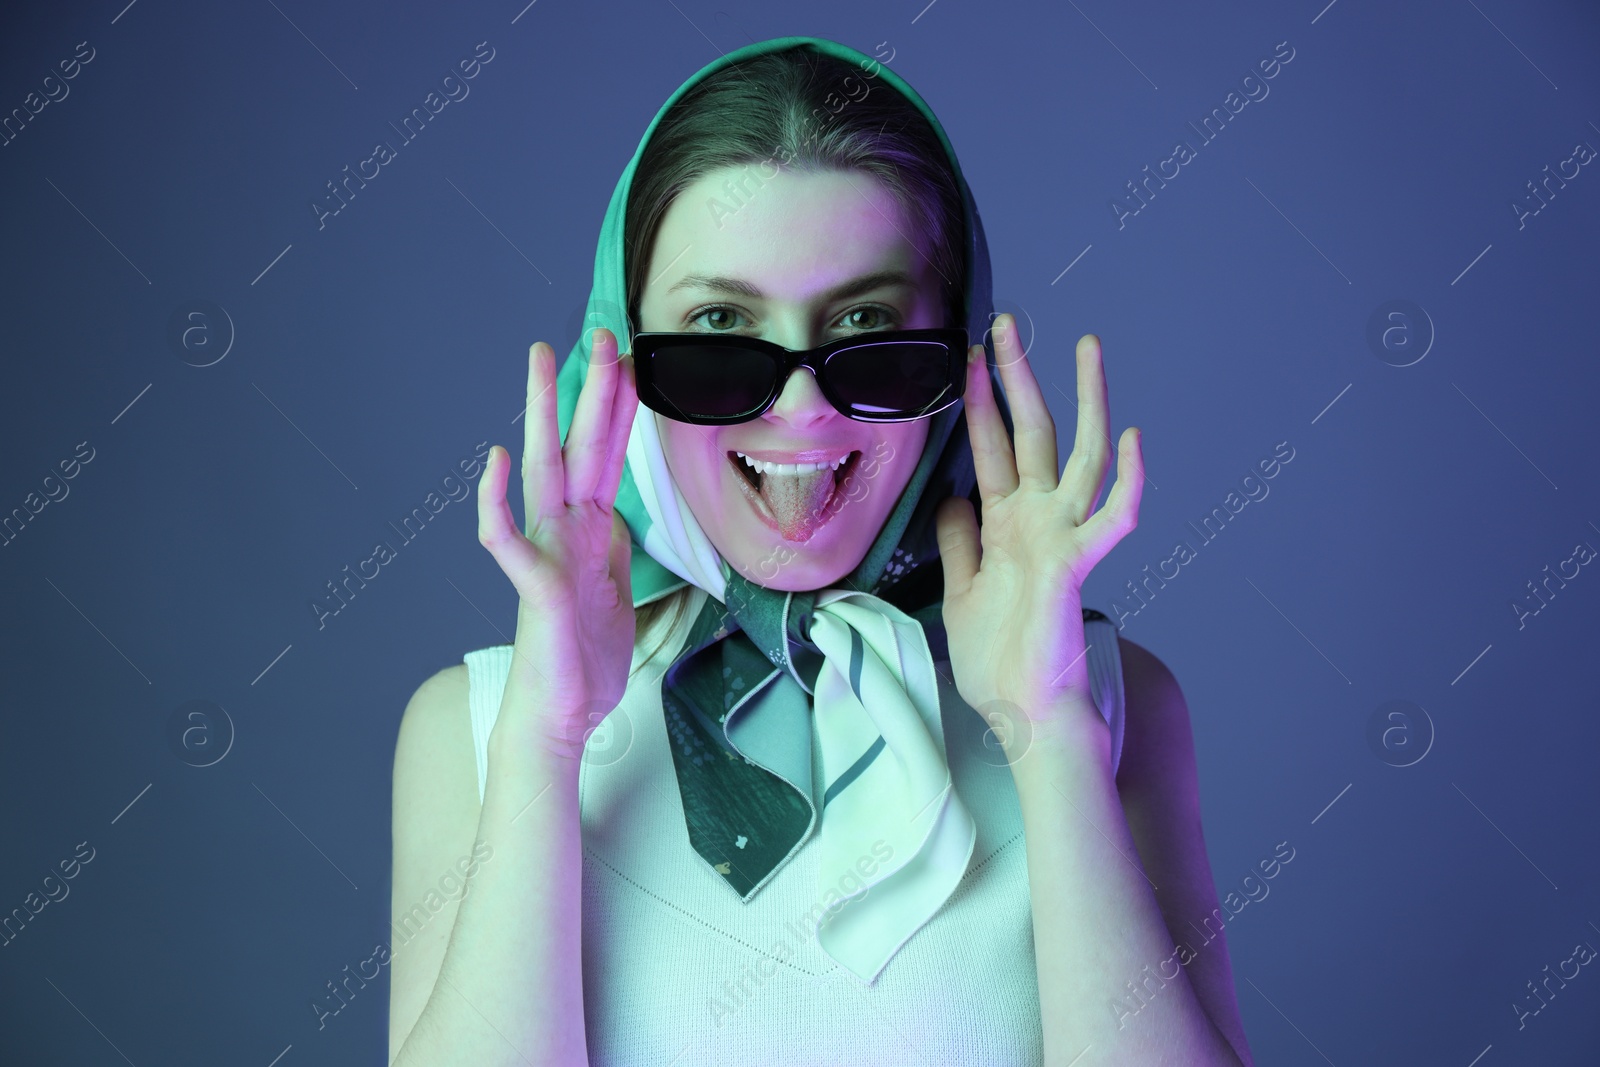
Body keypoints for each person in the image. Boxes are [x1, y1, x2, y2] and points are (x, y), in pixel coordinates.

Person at [388, 36, 1253, 1067]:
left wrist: (1048, 730)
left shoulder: (1110, 701)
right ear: (620, 358)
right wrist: (547, 735)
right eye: (718, 325)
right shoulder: (478, 726)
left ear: (959, 352)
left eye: (866, 324)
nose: (800, 408)